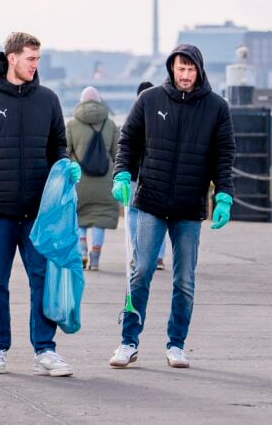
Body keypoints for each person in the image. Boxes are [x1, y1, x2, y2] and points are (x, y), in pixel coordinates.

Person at [0, 31, 81, 377]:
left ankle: (45, 349)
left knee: (41, 279)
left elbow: (57, 146)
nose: (35, 65)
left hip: (39, 212)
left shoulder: (48, 100)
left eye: (38, 59)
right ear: (12, 58)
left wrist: (66, 167)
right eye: (30, 59)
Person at [108, 44, 235, 369]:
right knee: (142, 271)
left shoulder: (216, 108)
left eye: (191, 70)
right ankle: (128, 341)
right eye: (181, 69)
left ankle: (176, 344)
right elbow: (128, 140)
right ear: (171, 68)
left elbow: (224, 156)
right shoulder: (149, 100)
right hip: (151, 200)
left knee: (184, 280)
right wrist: (122, 172)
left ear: (200, 71)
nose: (186, 75)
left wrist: (224, 195)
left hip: (189, 207)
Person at [65, 86, 119, 271]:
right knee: (100, 219)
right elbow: (117, 154)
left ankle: (82, 253)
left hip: (79, 181)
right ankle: (95, 259)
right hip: (104, 182)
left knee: (79, 217)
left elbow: (64, 153)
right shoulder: (110, 124)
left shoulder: (72, 124)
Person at [130, 81, 167, 271]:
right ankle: (159, 257)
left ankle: (138, 254)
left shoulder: (134, 118)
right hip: (156, 177)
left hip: (135, 175)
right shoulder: (162, 118)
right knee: (160, 215)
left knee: (133, 214)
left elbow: (125, 146)